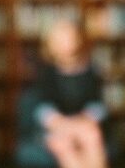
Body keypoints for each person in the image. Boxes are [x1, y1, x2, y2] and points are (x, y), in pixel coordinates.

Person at [16, 19, 109, 168]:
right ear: (50, 44)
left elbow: (97, 104)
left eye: (69, 38)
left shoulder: (90, 70)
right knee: (63, 145)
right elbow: (42, 107)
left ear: (77, 39)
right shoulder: (46, 72)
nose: (66, 44)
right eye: (60, 40)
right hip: (56, 126)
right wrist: (61, 123)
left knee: (92, 136)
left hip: (83, 123)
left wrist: (84, 119)